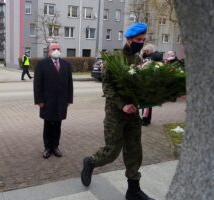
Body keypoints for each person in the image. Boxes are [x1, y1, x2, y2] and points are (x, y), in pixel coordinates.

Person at [81, 23, 154, 200]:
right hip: (116, 114)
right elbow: (107, 87)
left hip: (133, 114)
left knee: (134, 150)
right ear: (128, 39)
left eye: (143, 40)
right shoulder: (113, 58)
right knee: (112, 151)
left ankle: (133, 190)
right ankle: (90, 162)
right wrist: (122, 105)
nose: (141, 43)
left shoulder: (138, 60)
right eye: (138, 40)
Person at [33, 42, 73, 159]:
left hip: (61, 101)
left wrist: (69, 99)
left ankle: (55, 146)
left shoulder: (66, 65)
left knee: (58, 124)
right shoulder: (42, 64)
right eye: (53, 48)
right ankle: (47, 147)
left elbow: (69, 84)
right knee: (48, 124)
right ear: (48, 51)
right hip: (47, 101)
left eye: (58, 48)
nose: (56, 50)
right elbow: (37, 84)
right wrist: (39, 100)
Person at [140, 44, 164, 126]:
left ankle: (146, 120)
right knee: (144, 102)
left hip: (150, 82)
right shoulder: (145, 56)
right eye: (144, 51)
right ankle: (144, 118)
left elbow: (159, 68)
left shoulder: (156, 57)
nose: (145, 52)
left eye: (146, 51)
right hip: (144, 81)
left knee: (147, 103)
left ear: (150, 50)